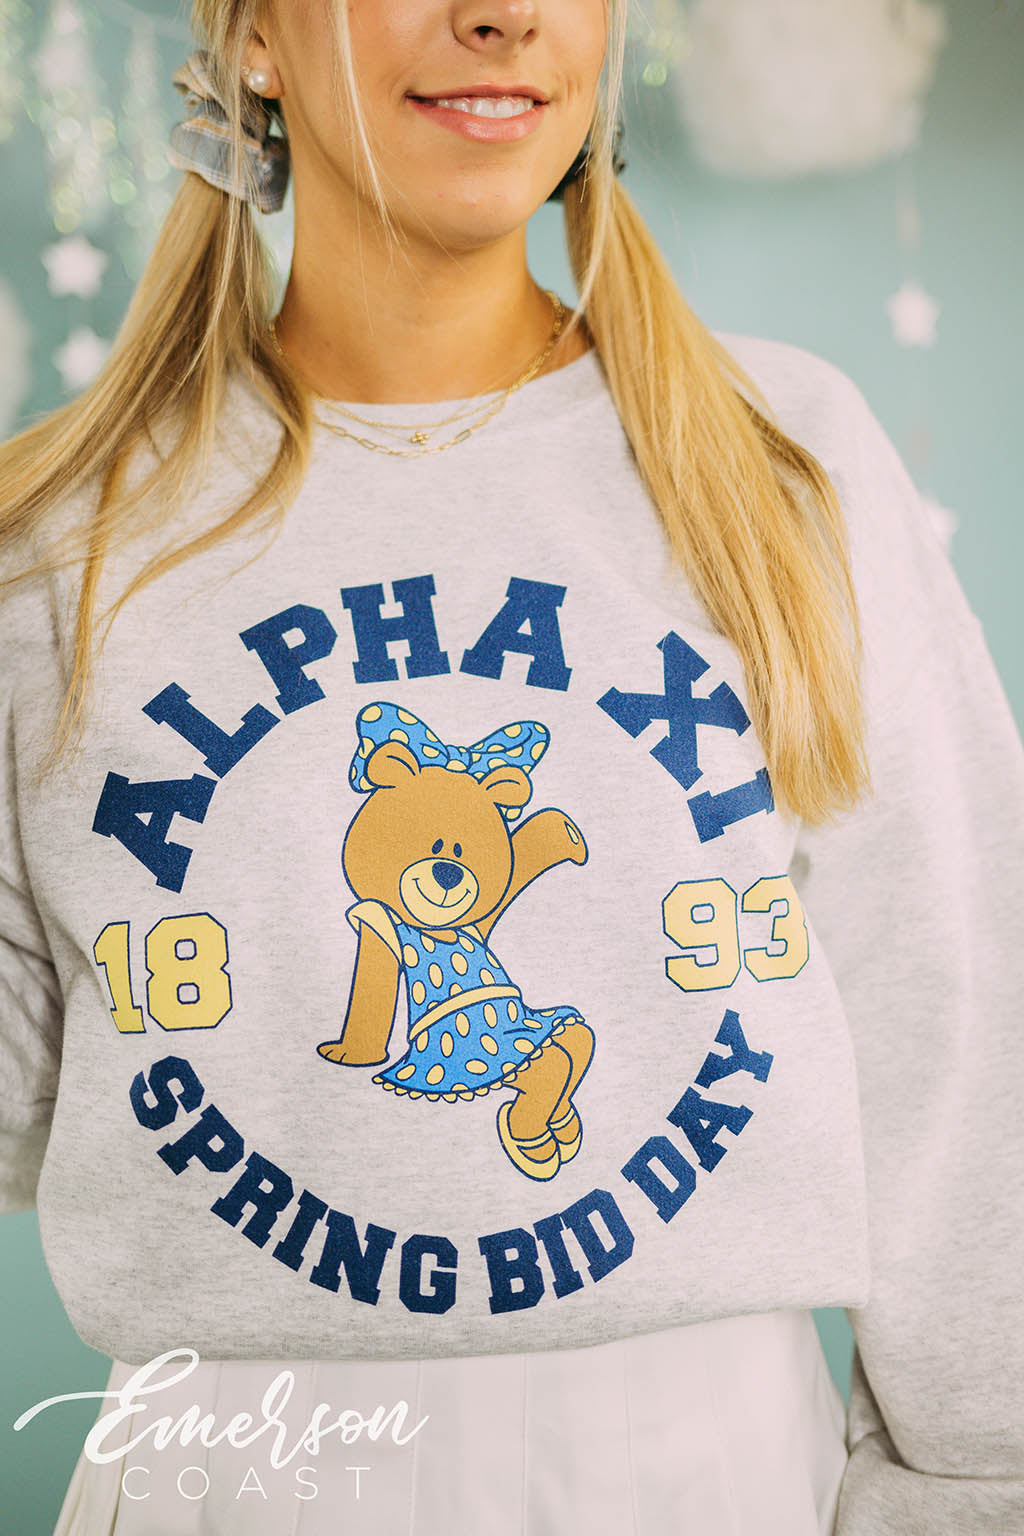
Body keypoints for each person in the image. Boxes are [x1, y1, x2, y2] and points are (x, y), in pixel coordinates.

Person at [1, 0, 1021, 1532]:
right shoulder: (61, 537)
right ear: (255, 37)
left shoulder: (779, 455)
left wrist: (978, 1483)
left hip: (707, 1467)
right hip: (232, 1473)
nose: (503, 16)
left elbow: (961, 1014)